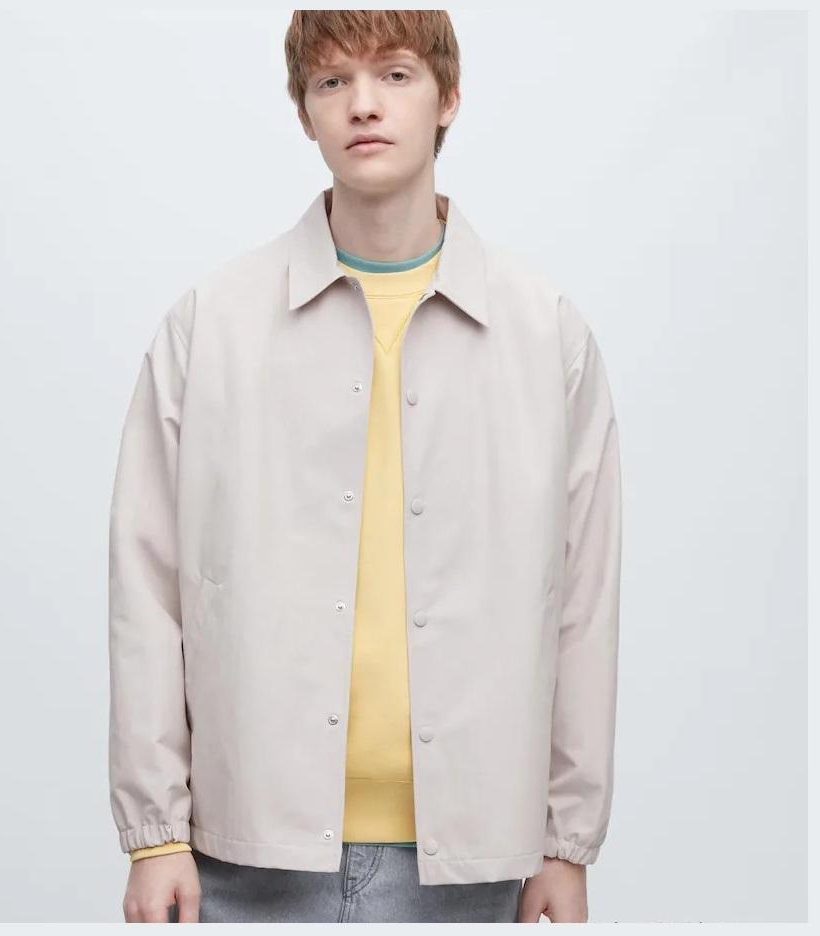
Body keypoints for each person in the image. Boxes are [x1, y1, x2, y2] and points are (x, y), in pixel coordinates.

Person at [108, 9, 622, 924]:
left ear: (447, 96)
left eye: (394, 74)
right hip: (241, 856)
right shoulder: (212, 326)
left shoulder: (544, 334)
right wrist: (156, 833)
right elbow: (147, 587)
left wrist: (565, 841)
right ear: (304, 111)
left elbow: (583, 600)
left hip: (471, 863)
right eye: (331, 81)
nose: (363, 105)